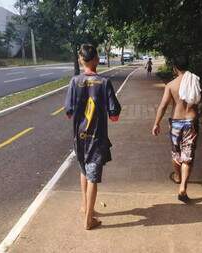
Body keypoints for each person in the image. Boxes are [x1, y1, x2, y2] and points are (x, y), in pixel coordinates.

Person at [65, 44, 121, 229]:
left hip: (79, 138)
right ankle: (89, 220)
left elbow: (69, 113)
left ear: (81, 60)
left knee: (84, 171)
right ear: (96, 59)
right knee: (92, 178)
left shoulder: (74, 82)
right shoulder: (104, 83)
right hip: (96, 138)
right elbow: (114, 116)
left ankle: (85, 206)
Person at [151, 55, 202, 202]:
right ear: (188, 66)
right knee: (188, 155)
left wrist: (156, 123)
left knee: (176, 152)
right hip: (191, 122)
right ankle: (183, 186)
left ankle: (177, 176)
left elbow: (163, 106)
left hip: (176, 123)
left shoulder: (171, 85)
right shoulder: (196, 81)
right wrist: (199, 114)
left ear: (175, 67)